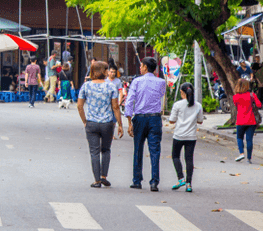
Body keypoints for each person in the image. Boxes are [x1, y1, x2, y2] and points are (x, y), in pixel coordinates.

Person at [76, 61, 123, 188]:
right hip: (107, 123)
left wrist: (85, 121)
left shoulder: (86, 86)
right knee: (106, 150)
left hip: (91, 123)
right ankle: (103, 177)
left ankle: (96, 180)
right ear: (102, 71)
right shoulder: (111, 87)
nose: (108, 72)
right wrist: (120, 124)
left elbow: (79, 106)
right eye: (107, 69)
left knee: (94, 152)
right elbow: (115, 107)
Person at [124, 56, 168, 191]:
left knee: (138, 149)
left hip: (140, 118)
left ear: (145, 67)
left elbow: (129, 101)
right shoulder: (161, 82)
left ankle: (137, 180)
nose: (140, 68)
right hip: (155, 118)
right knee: (155, 150)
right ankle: (154, 181)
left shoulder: (136, 82)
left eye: (141, 65)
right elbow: (161, 96)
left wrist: (129, 122)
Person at [168, 82, 204, 192]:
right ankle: (189, 184)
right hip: (191, 136)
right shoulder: (198, 105)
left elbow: (171, 120)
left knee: (175, 156)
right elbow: (200, 121)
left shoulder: (178, 105)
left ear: (183, 93)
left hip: (178, 135)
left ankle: (180, 178)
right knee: (189, 159)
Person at [232, 79, 262, 163]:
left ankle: (241, 153)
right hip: (251, 120)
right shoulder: (251, 95)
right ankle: (249, 158)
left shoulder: (235, 97)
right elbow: (259, 105)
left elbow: (236, 105)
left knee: (239, 137)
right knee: (249, 140)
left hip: (240, 120)